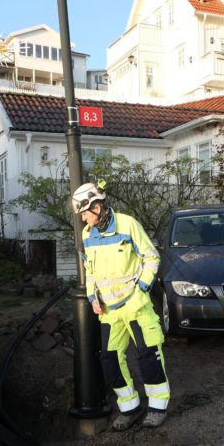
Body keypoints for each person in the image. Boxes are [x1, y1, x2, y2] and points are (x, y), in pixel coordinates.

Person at [71, 182, 170, 430]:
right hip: (109, 310)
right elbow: (90, 270)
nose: (83, 219)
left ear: (97, 207)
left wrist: (143, 288)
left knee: (147, 356)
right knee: (110, 359)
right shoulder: (87, 234)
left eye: (85, 213)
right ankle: (130, 408)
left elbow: (151, 257)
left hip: (135, 305)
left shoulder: (128, 225)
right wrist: (93, 298)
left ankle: (157, 407)